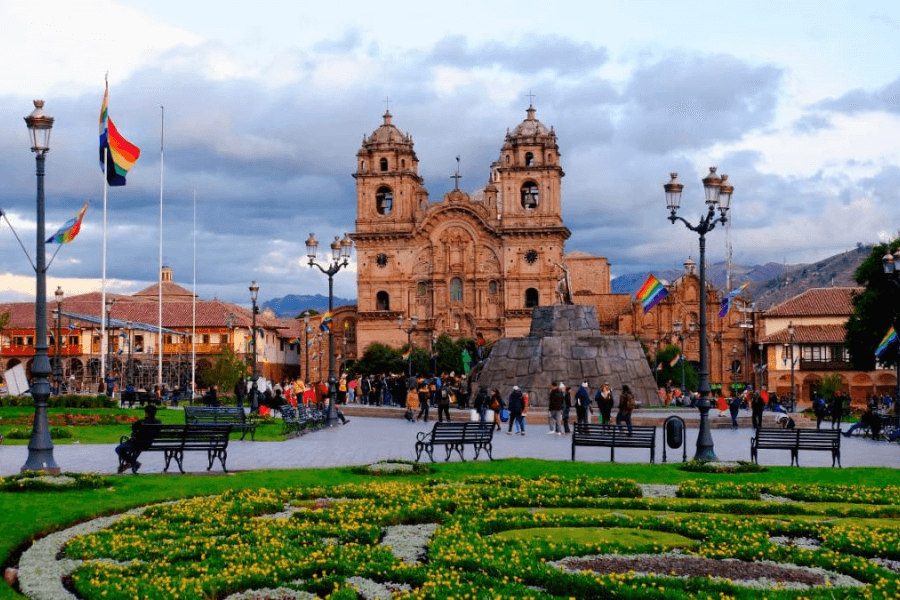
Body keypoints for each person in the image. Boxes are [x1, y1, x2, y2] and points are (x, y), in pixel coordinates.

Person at [115, 404, 162, 474]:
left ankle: (133, 462)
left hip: (137, 443)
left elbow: (134, 430)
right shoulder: (158, 422)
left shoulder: (141, 422)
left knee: (118, 449)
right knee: (137, 449)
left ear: (147, 413)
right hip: (147, 443)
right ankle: (132, 462)